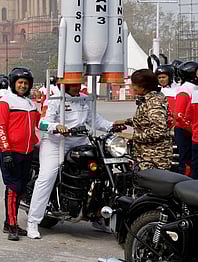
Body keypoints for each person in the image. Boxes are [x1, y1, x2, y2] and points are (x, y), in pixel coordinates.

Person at [25, 79, 125, 239]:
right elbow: (42, 124)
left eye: (78, 82)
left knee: (99, 172)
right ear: (63, 85)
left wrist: (113, 125)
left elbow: (96, 120)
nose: (76, 86)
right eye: (72, 83)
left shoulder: (85, 99)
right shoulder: (55, 100)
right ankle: (33, 221)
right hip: (55, 143)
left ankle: (97, 217)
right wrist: (56, 127)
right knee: (47, 176)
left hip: (80, 141)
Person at [0, 67, 40, 241]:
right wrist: (6, 152)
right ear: (13, 83)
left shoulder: (30, 103)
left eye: (26, 83)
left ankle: (9, 221)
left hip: (28, 151)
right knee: (13, 188)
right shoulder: (5, 101)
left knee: (21, 187)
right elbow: (1, 127)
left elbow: (38, 124)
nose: (23, 86)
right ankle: (12, 225)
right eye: (20, 82)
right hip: (11, 151)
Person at [117, 70, 173, 171]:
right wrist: (127, 122)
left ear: (143, 87)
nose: (132, 87)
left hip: (154, 158)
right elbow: (145, 120)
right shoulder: (147, 99)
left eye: (134, 85)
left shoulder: (154, 103)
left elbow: (158, 132)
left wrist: (131, 136)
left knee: (152, 185)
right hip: (144, 155)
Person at [173, 61, 198, 175]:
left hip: (191, 130)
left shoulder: (195, 88)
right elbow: (179, 115)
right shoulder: (185, 90)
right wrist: (192, 130)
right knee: (186, 161)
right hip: (185, 131)